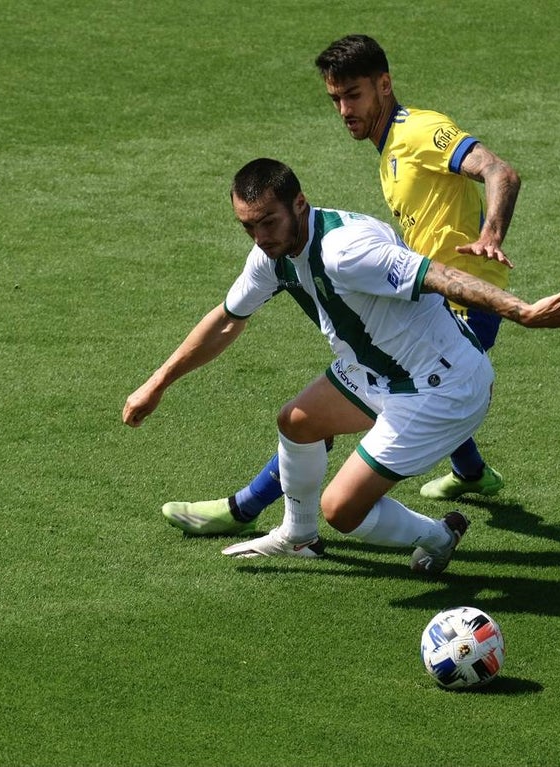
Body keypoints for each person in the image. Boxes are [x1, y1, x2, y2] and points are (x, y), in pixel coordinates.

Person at [123, 159, 560, 571]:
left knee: (342, 511)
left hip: (442, 387)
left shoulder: (347, 251)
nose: (260, 238)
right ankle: (298, 537)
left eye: (268, 222)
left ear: (299, 204)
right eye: (249, 227)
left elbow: (441, 276)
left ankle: (439, 536)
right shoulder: (273, 254)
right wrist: (158, 383)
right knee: (297, 422)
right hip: (380, 372)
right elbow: (228, 320)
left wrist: (522, 312)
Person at [166, 35, 525, 536]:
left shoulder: (419, 131)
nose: (343, 110)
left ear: (384, 85)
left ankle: (246, 507)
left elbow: (499, 170)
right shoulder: (389, 148)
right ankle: (471, 471)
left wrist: (490, 236)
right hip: (428, 293)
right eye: (335, 98)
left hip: (464, 295)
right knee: (402, 381)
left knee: (395, 385)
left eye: (353, 95)